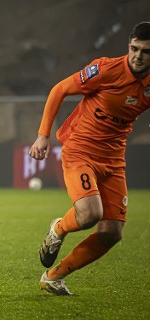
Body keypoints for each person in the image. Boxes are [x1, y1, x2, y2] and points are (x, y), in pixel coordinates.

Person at [31, 21, 150, 296]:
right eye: (134, 48)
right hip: (80, 150)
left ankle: (53, 276)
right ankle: (58, 228)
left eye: (145, 51)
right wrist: (42, 135)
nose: (138, 56)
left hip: (114, 158)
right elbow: (59, 90)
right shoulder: (107, 69)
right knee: (89, 214)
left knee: (111, 232)